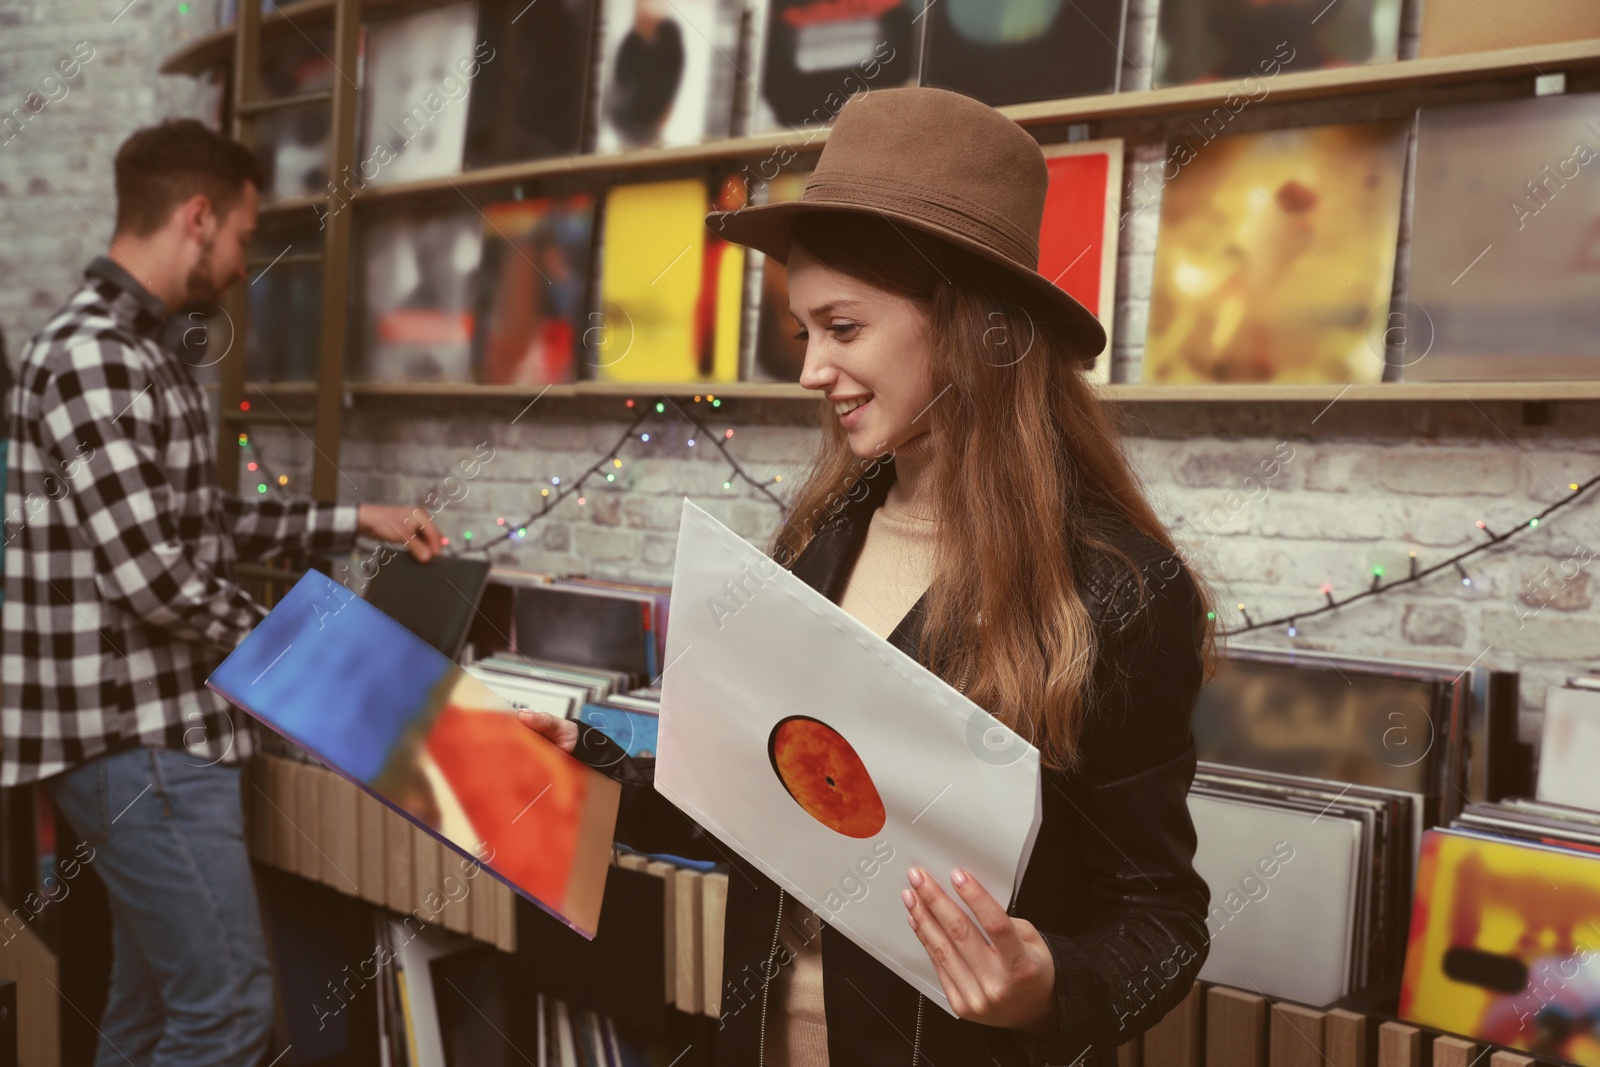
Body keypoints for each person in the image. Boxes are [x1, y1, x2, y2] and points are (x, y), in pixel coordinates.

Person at [519, 87, 1219, 1066]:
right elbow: (779, 797)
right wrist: (596, 772)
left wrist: (1048, 983)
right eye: (805, 332)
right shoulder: (822, 533)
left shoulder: (1117, 588)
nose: (811, 369)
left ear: (972, 328)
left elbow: (1163, 921)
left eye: (842, 327)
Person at [0, 118, 442, 1067]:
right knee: (230, 1011)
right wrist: (326, 657)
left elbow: (195, 527)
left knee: (151, 1010)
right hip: (142, 745)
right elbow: (157, 577)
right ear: (197, 218)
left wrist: (357, 517)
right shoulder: (93, 356)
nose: (243, 263)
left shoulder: (145, 352)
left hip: (161, 741)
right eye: (242, 235)